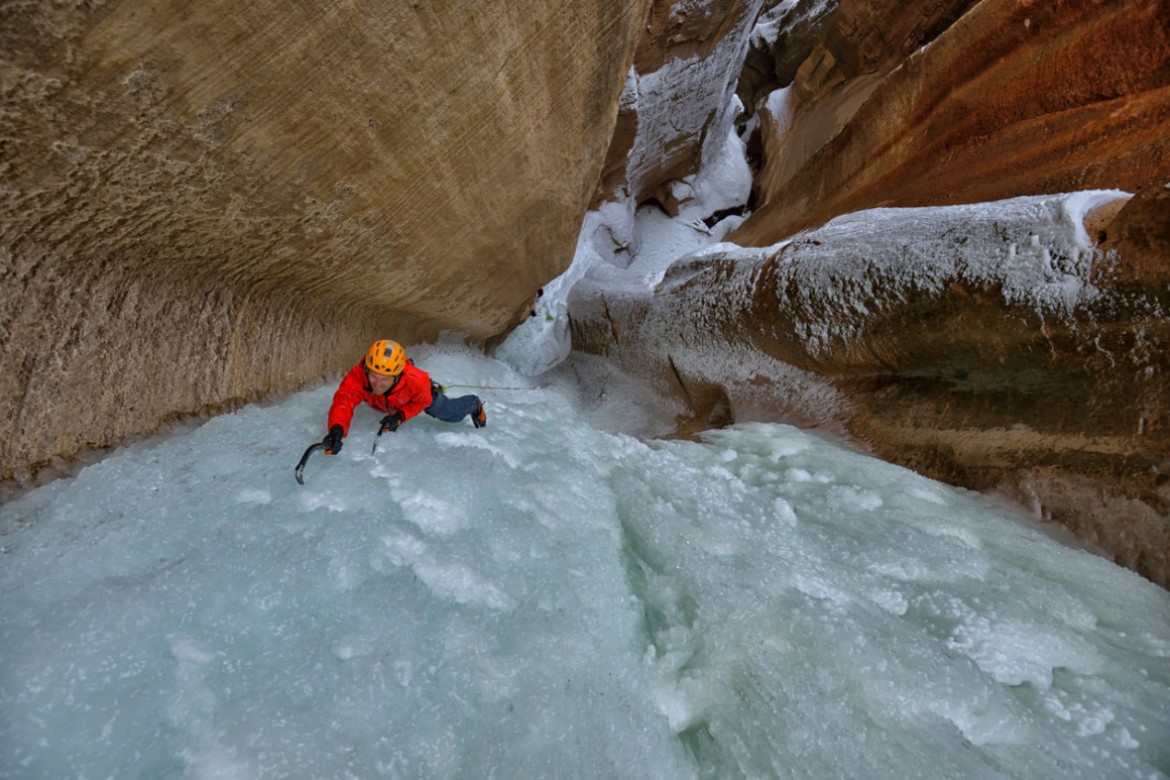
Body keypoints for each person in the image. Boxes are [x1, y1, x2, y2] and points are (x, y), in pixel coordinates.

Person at [321, 339, 486, 455]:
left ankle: (473, 403)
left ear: (398, 375)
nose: (377, 384)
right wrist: (337, 430)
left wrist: (400, 417)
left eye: (385, 379)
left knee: (452, 415)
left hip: (418, 397)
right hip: (391, 402)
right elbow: (343, 402)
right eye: (374, 376)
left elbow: (423, 401)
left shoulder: (417, 379)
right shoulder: (358, 376)